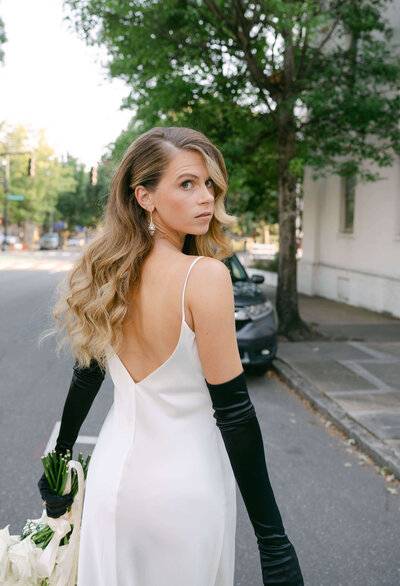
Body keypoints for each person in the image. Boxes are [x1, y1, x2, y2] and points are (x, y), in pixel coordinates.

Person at [38, 126, 304, 585]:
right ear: (144, 197)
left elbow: (87, 377)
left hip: (112, 487)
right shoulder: (205, 277)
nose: (206, 198)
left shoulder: (111, 276)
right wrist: (273, 542)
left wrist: (59, 464)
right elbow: (235, 414)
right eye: (187, 183)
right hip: (186, 491)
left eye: (208, 184)